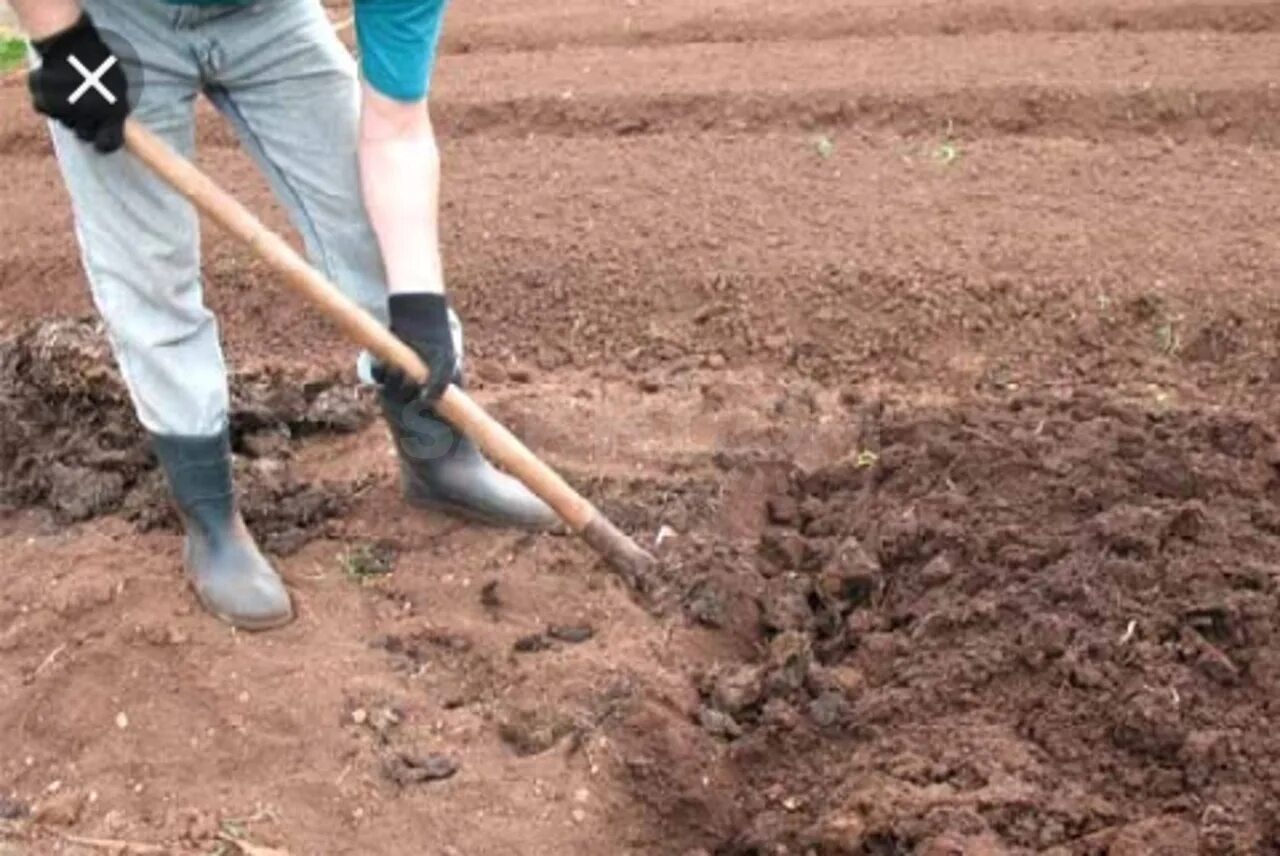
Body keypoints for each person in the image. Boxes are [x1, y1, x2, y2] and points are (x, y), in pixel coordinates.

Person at [12, 0, 556, 631]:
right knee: (148, 266)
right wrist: (61, 38)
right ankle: (211, 522)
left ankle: (439, 453)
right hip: (117, 15)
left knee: (371, 232)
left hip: (265, 16)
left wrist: (420, 305)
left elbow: (396, 127)